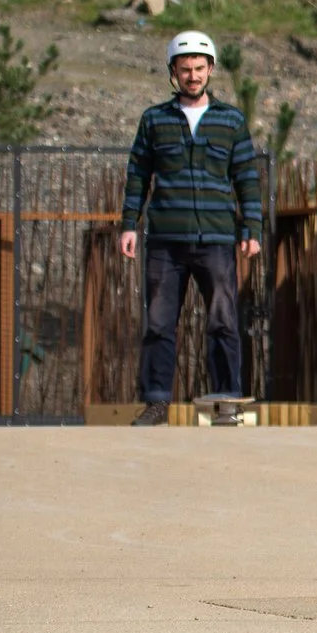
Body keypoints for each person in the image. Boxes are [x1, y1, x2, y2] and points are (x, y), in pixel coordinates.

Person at [117, 31, 262, 425]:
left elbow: (246, 177)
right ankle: (157, 402)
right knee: (160, 323)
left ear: (211, 69)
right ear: (173, 73)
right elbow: (137, 176)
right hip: (165, 240)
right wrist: (129, 225)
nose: (193, 76)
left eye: (199, 69)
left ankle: (226, 401)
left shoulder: (231, 119)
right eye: (185, 70)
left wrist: (252, 227)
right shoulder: (154, 120)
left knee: (223, 320)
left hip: (216, 239)